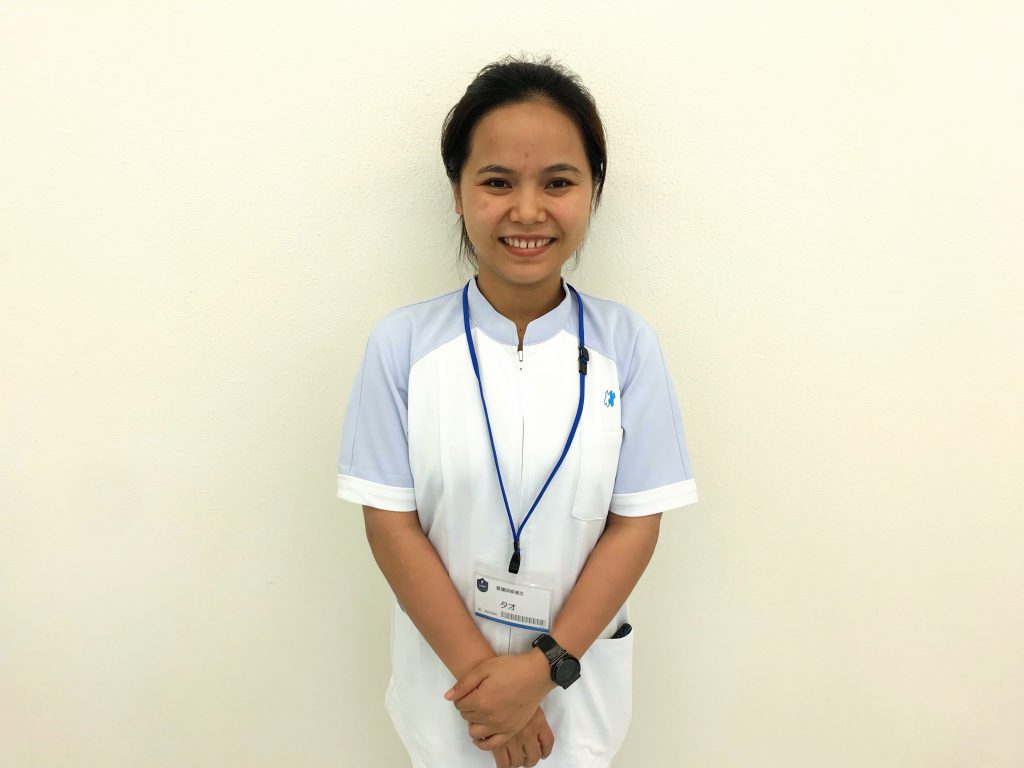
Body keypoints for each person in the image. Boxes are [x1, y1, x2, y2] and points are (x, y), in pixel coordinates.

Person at [337, 55, 698, 768]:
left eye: (558, 182)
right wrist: (491, 690)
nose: (528, 211)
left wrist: (540, 672)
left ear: (592, 192)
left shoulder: (629, 345)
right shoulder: (402, 345)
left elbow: (635, 523)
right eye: (497, 181)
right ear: (458, 192)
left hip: (576, 693)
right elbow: (390, 524)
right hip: (452, 695)